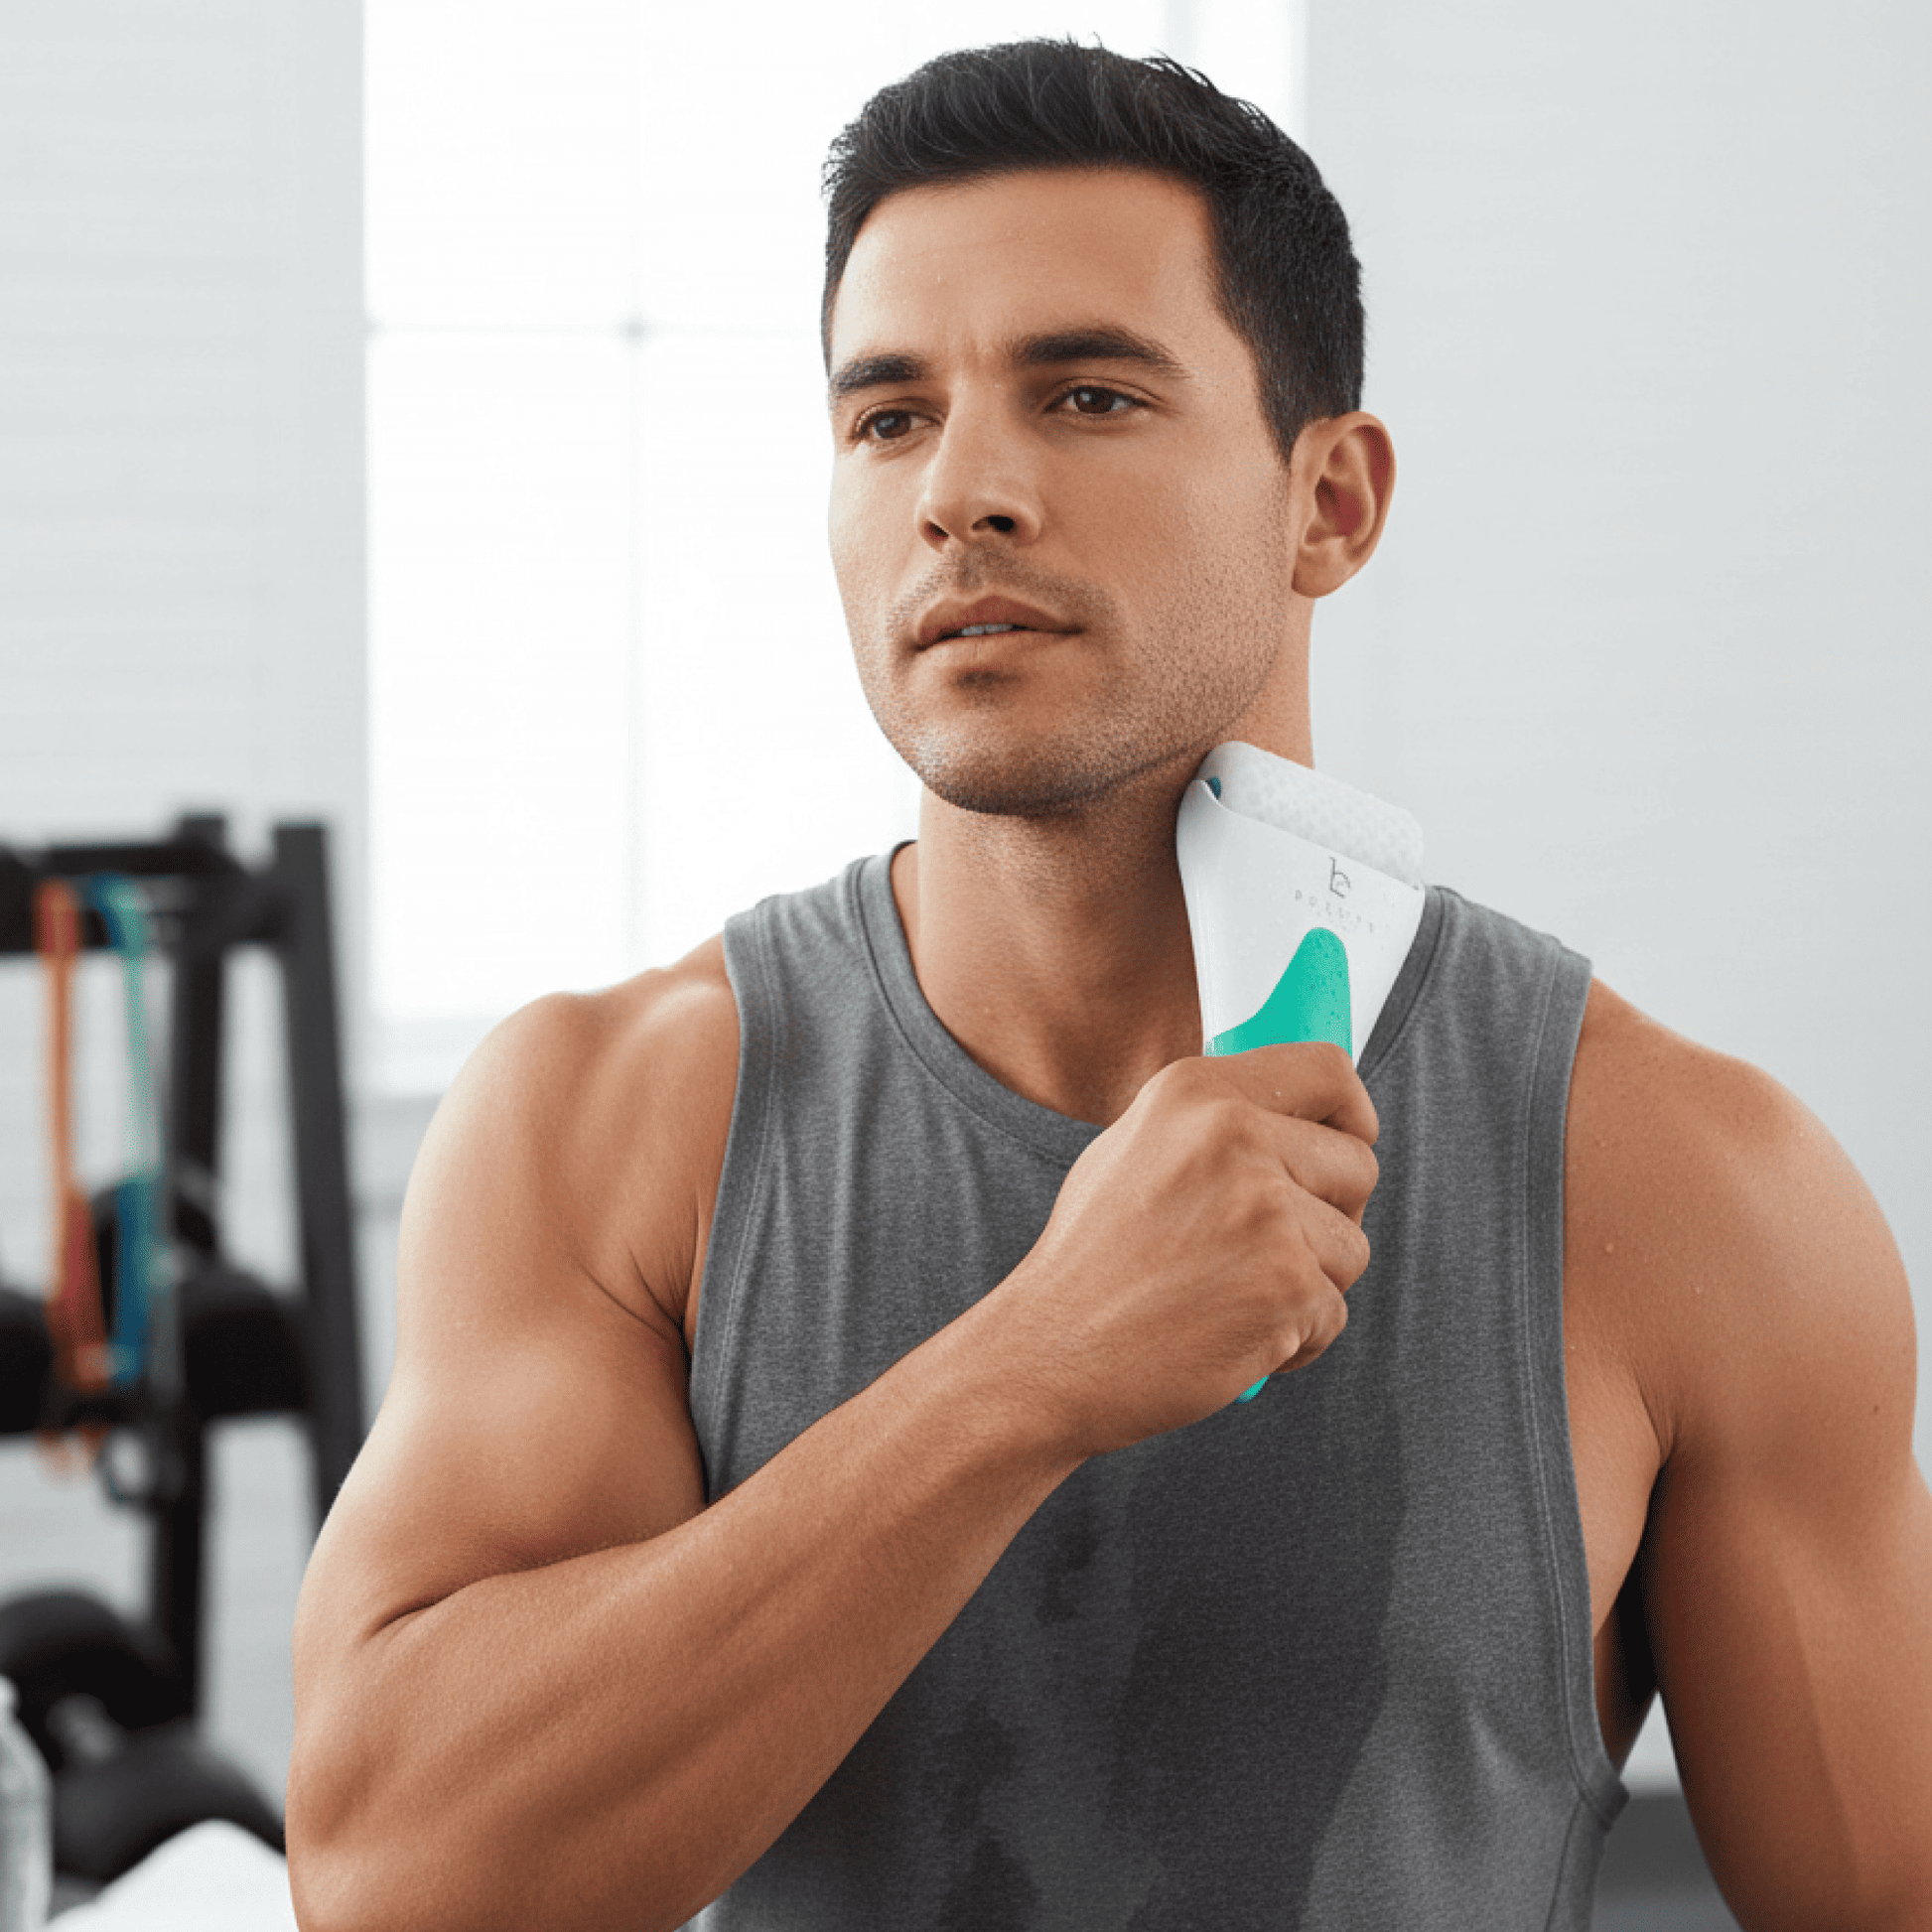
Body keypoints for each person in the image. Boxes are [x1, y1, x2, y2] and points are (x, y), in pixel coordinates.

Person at [284, 38, 1932, 1932]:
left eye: (1085, 395)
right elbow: (394, 1882)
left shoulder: (1686, 1186)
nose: (961, 489)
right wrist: (1027, 1368)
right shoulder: (602, 1126)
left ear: (1329, 502)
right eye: (888, 417)